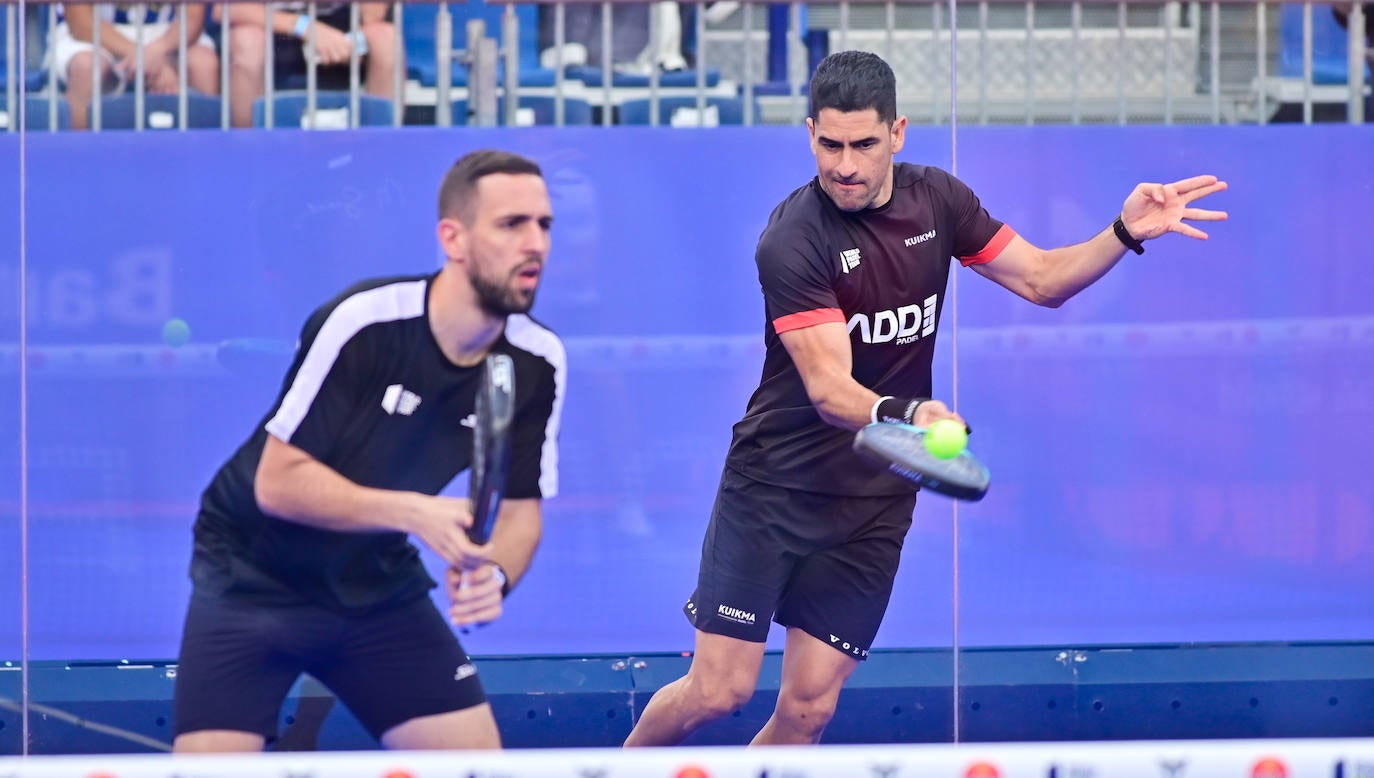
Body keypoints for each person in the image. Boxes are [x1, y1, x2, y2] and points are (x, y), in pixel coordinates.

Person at [622, 50, 1227, 747]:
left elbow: (1041, 281)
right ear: (810, 132)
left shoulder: (939, 201)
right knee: (718, 691)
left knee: (809, 709)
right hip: (774, 490)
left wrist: (1122, 233)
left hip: (874, 501)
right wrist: (909, 414)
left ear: (898, 133)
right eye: (830, 144)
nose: (845, 164)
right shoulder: (793, 240)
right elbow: (828, 389)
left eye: (864, 145)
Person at [172, 149, 565, 752]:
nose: (534, 243)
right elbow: (276, 483)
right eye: (512, 224)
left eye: (543, 225)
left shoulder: (538, 361)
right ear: (452, 239)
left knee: (477, 767)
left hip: (374, 582)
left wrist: (496, 571)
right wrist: (415, 512)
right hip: (250, 575)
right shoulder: (364, 321)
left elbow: (518, 514)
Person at [218, 1, 400, 128]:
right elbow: (224, 9)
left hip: (339, 26)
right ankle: (247, 148)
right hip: (273, 25)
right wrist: (305, 27)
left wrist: (351, 43)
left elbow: (373, 16)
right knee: (245, 40)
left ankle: (382, 147)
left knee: (385, 38)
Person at [50, 3, 220, 130]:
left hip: (166, 33)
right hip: (96, 32)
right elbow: (81, 22)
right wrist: (143, 55)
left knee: (203, 64)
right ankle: (78, 156)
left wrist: (156, 51)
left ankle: (206, 160)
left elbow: (192, 18)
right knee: (87, 68)